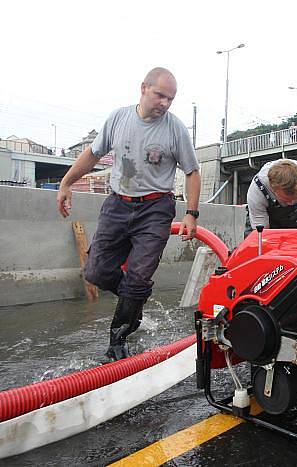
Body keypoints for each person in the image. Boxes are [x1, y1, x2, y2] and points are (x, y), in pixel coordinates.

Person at [56, 67, 201, 361]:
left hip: (156, 208)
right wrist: (66, 182)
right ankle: (135, 300)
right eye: (160, 95)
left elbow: (192, 172)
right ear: (143, 88)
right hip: (117, 204)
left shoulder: (175, 129)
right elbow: (92, 154)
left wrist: (191, 214)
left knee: (137, 276)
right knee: (95, 271)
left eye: (170, 99)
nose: (165, 103)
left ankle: (118, 340)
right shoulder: (119, 118)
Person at [246, 158, 297, 230]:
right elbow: (261, 234)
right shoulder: (257, 191)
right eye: (286, 200)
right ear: (273, 189)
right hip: (268, 217)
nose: (291, 203)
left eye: (295, 198)